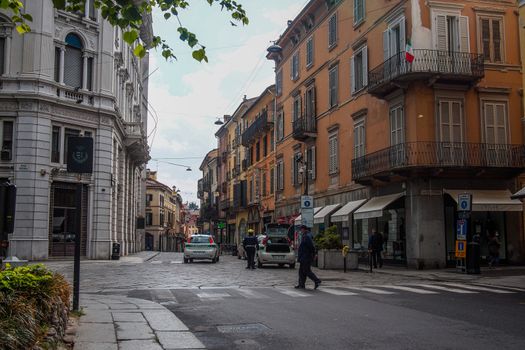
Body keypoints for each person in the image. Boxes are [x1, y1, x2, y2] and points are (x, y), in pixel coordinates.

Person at [295, 225, 321, 290]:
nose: (300, 231)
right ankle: (301, 284)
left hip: (306, 257)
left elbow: (311, 247)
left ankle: (317, 281)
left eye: (301, 229)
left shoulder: (307, 237)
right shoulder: (304, 236)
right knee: (301, 271)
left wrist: (314, 254)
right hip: (303, 257)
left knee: (306, 271)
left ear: (304, 229)